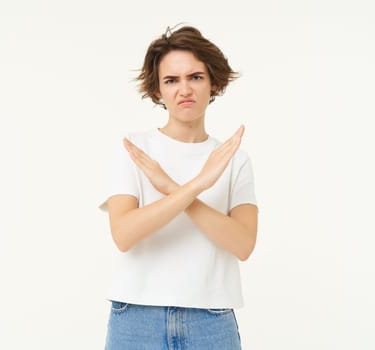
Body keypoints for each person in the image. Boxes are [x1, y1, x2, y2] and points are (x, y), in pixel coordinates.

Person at [99, 25, 258, 350]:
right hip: (136, 318)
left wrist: (171, 187)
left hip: (211, 321)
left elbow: (243, 244)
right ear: (157, 90)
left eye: (195, 77)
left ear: (213, 82)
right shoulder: (135, 151)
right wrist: (197, 184)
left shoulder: (233, 159)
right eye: (171, 80)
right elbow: (124, 235)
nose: (184, 89)